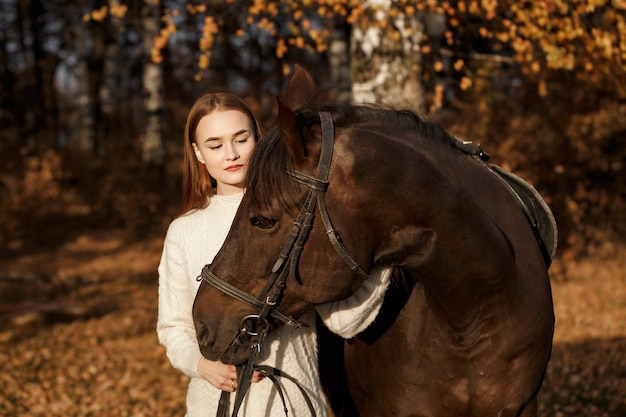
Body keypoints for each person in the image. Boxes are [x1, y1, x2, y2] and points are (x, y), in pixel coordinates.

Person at [156, 91, 391, 417]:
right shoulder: (184, 231)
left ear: (260, 138)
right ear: (198, 153)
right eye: (215, 144)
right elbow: (173, 327)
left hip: (295, 406)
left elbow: (343, 321)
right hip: (212, 407)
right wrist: (202, 366)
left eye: (241, 138)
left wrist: (383, 255)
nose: (231, 154)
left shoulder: (298, 219)